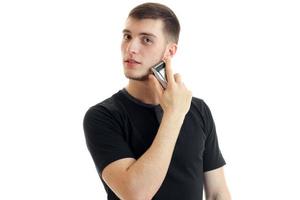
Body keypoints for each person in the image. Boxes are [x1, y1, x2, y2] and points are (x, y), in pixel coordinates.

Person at [83, 2, 231, 200]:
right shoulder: (103, 116)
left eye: (146, 40)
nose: (131, 48)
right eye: (127, 36)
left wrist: (177, 110)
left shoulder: (198, 109)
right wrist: (174, 114)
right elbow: (136, 194)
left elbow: (217, 193)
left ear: (169, 52)